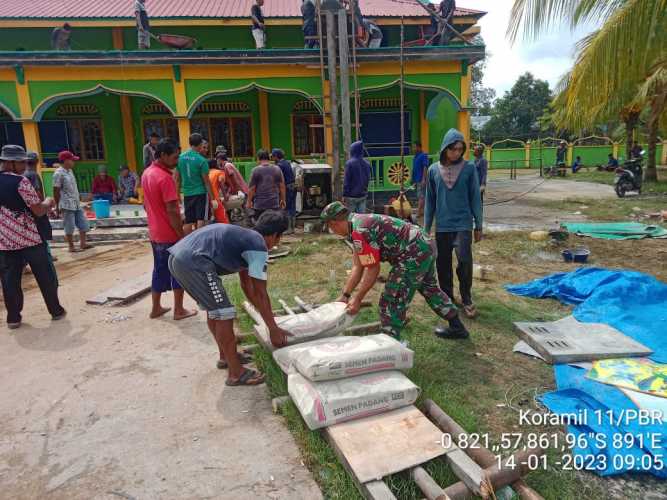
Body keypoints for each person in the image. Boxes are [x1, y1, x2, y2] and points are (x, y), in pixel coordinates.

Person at [168, 211, 293, 385]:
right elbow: (260, 293)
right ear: (275, 235)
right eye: (279, 239)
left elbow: (247, 286)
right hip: (194, 262)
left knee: (215, 311)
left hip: (178, 259)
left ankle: (226, 357)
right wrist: (273, 328)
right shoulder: (258, 245)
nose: (276, 244)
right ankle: (236, 373)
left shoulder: (245, 238)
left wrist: (269, 321)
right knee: (224, 313)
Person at [320, 201, 469, 340]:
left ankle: (390, 345)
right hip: (423, 245)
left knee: (391, 300)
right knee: (429, 289)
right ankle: (457, 327)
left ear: (334, 223)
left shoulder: (360, 230)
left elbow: (373, 268)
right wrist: (346, 295)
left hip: (413, 252)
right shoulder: (355, 224)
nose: (331, 230)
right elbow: (358, 266)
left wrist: (357, 299)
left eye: (329, 227)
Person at [0, 145, 66, 330]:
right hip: (29, 238)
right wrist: (48, 202)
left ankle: (13, 318)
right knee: (45, 276)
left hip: (5, 242)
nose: (24, 166)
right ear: (10, 163)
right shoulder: (20, 182)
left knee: (9, 280)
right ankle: (56, 310)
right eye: (21, 162)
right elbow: (37, 210)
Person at [424, 128, 482, 320]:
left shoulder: (469, 168)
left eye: (460, 149)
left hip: (463, 225)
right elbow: (430, 201)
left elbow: (475, 198)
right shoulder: (433, 170)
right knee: (443, 264)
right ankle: (447, 297)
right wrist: (426, 229)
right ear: (444, 149)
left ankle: (466, 298)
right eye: (453, 149)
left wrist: (479, 225)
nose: (457, 153)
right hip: (442, 227)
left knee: (464, 262)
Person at [141, 139, 197, 322]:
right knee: (177, 271)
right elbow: (173, 210)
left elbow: (145, 203)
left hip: (155, 232)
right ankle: (179, 310)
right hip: (169, 234)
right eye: (174, 157)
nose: (177, 160)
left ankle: (156, 307)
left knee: (159, 270)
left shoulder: (147, 173)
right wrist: (182, 236)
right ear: (163, 155)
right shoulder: (165, 178)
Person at [174, 133, 217, 234]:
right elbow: (206, 182)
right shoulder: (201, 160)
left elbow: (177, 179)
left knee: (189, 220)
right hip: (201, 193)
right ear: (200, 144)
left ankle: (187, 242)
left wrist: (177, 196)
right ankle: (199, 241)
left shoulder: (180, 158)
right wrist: (213, 198)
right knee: (201, 219)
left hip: (187, 194)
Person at [53, 151, 93, 253]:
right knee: (69, 226)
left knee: (83, 223)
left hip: (76, 202)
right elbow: (56, 190)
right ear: (66, 161)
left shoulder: (70, 171)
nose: (73, 162)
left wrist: (78, 196)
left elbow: (74, 186)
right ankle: (71, 246)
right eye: (72, 160)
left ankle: (83, 243)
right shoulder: (58, 174)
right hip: (66, 204)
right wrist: (57, 206)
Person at [248, 149, 285, 222]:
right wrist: (283, 200)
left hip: (260, 205)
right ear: (268, 157)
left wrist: (249, 202)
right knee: (273, 225)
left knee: (261, 225)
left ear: (258, 158)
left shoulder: (255, 170)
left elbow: (252, 188)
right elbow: (282, 186)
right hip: (274, 203)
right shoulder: (277, 169)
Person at [272, 148, 296, 234]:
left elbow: (278, 179)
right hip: (293, 186)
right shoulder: (287, 163)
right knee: (292, 207)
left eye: (273, 156)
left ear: (276, 156)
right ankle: (293, 228)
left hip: (287, 188)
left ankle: (288, 228)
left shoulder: (280, 165)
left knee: (286, 207)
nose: (272, 158)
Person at [343, 140, 371, 214]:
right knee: (361, 218)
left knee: (350, 217)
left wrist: (345, 194)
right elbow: (368, 179)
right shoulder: (367, 163)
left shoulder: (349, 163)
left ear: (352, 150)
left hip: (351, 196)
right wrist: (365, 191)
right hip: (362, 195)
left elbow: (347, 181)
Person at [208, 159, 229, 224]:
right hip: (215, 199)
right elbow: (220, 182)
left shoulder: (206, 173)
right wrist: (225, 196)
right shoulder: (219, 172)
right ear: (216, 164)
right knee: (224, 220)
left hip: (205, 199)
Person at [412, 141, 430, 218]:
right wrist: (413, 179)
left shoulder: (423, 155)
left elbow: (425, 167)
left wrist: (424, 179)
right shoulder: (415, 157)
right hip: (417, 179)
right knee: (420, 196)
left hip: (421, 179)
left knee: (421, 196)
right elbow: (414, 169)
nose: (414, 149)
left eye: (415, 147)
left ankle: (419, 212)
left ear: (419, 147)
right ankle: (422, 211)